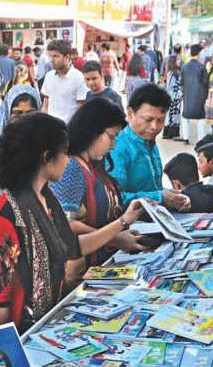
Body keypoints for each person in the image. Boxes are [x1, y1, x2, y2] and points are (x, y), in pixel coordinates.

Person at [0, 112, 146, 333]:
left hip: (48, 320)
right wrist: (9, 345)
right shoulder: (7, 214)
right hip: (24, 331)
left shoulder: (47, 197)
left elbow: (71, 247)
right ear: (46, 156)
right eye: (64, 152)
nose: (68, 160)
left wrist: (123, 221)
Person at [51, 98, 147, 272]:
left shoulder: (92, 166)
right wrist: (116, 236)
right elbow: (66, 224)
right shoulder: (72, 168)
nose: (113, 145)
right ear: (93, 131)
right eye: (112, 137)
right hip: (78, 271)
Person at [111, 83, 191, 211]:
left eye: (160, 120)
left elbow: (153, 189)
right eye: (148, 120)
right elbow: (114, 198)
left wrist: (173, 197)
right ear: (130, 113)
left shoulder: (150, 142)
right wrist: (160, 197)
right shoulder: (118, 148)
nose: (154, 127)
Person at [0, 85, 40, 164]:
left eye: (30, 113)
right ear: (7, 114)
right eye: (18, 113)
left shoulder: (44, 144)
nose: (24, 119)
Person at [42, 39, 87, 122]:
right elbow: (45, 104)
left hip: (69, 126)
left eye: (56, 56)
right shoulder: (49, 76)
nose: (52, 60)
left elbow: (81, 109)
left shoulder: (79, 78)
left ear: (67, 57)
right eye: (50, 56)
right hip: (50, 125)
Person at [180, 44, 209, 146]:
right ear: (199, 53)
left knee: (186, 116)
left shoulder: (184, 67)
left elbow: (181, 82)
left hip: (187, 94)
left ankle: (186, 138)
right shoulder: (202, 67)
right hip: (199, 95)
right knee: (200, 117)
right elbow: (206, 83)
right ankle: (201, 139)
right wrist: (205, 95)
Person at [162, 51, 183, 139]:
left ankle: (169, 132)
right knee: (174, 114)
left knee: (172, 114)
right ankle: (172, 132)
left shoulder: (170, 73)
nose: (179, 61)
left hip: (173, 97)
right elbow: (173, 86)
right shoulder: (174, 73)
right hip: (174, 97)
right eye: (177, 60)